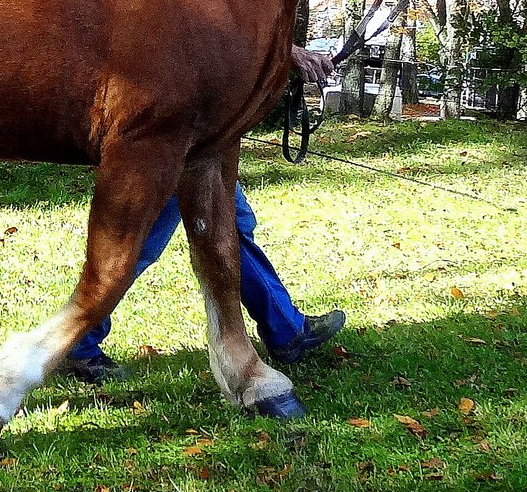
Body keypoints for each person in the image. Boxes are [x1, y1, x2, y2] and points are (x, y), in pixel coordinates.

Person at [57, 45, 347, 384]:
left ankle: (286, 328)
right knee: (139, 243)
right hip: (177, 133)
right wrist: (285, 51)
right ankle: (77, 340)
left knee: (232, 225)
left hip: (197, 132)